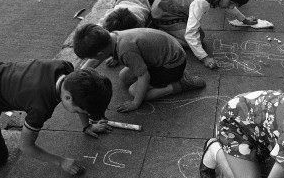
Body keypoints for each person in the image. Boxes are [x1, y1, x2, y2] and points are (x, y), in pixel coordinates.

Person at [73, 23, 205, 113]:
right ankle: (175, 79)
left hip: (172, 65)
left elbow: (144, 76)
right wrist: (76, 76)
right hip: (166, 54)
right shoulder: (113, 37)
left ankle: (181, 84)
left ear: (101, 53)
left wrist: (135, 103)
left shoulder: (125, 51)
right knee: (124, 76)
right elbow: (95, 60)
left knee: (134, 91)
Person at [151, 0, 261, 70]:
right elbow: (190, 34)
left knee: (198, 37)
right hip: (164, 14)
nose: (232, 6)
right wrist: (204, 57)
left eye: (235, 4)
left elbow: (229, 6)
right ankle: (160, 34)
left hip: (172, 4)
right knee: (196, 38)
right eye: (231, 3)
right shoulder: (200, 2)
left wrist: (244, 19)